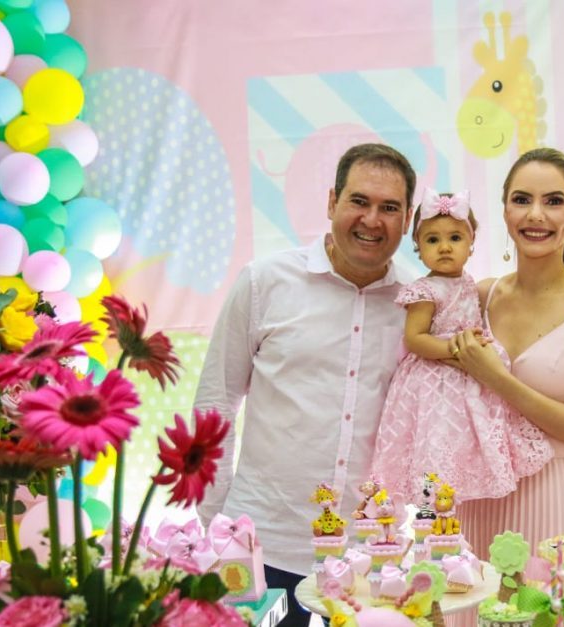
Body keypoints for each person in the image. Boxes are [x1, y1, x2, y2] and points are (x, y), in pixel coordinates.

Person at [193, 143, 416, 627]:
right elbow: (216, 403)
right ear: (332, 202)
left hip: (369, 552)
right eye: (359, 201)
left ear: (407, 219)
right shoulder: (264, 281)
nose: (371, 220)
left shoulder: (417, 306)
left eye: (389, 208)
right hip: (263, 540)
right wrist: (214, 522)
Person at [447, 148, 564, 623]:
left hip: (554, 504)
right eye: (522, 199)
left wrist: (498, 379)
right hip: (477, 502)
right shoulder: (479, 296)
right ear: (505, 210)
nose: (536, 215)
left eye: (554, 201)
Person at [370, 188, 551, 504]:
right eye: (432, 240)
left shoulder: (469, 283)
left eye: (455, 238)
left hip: (468, 372)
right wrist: (455, 348)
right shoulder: (425, 291)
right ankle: (436, 499)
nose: (444, 247)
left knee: (472, 429)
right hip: (434, 379)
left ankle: (472, 472)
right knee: (439, 434)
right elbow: (415, 338)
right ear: (418, 247)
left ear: (471, 245)